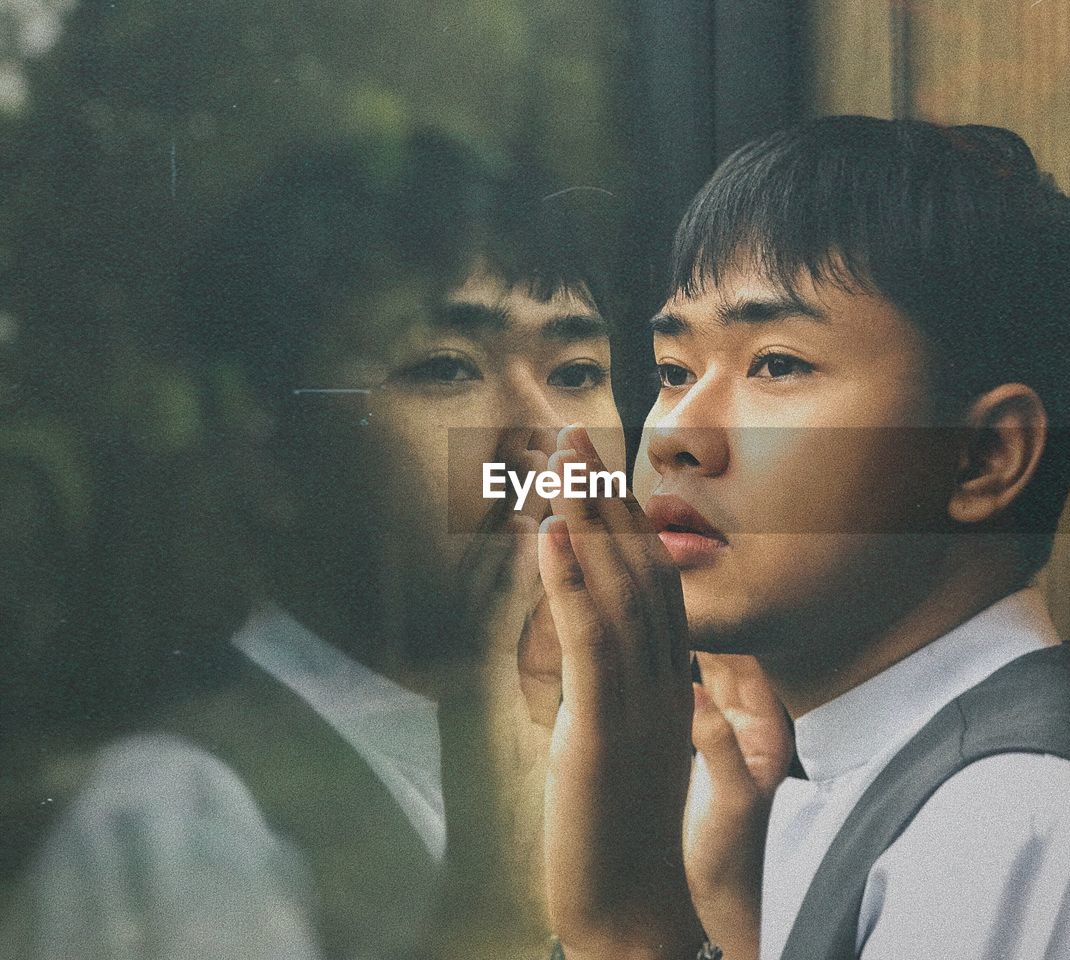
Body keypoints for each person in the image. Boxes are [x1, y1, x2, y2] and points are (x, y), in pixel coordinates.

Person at [526, 116, 1070, 960]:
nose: (675, 431)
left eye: (776, 363)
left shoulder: (1011, 831)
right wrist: (734, 920)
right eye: (675, 371)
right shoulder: (849, 776)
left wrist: (629, 928)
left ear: (982, 458)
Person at [0, 131, 627, 960]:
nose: (545, 439)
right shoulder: (179, 822)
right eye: (445, 369)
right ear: (269, 454)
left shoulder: (657, 754)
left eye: (578, 373)